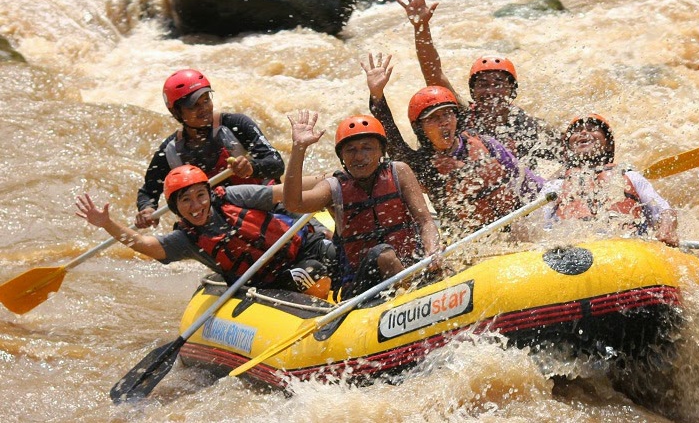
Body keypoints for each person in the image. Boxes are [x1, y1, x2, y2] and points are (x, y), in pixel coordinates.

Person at [77, 164, 332, 294]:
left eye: (200, 195)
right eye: (185, 200)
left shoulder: (232, 196)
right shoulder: (186, 239)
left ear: (209, 194)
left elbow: (282, 192)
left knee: (336, 256)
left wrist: (326, 181)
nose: (196, 205)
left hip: (305, 246)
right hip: (273, 281)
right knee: (311, 273)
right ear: (176, 208)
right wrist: (107, 224)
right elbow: (147, 246)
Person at [363, 55, 543, 237]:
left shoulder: (486, 143)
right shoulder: (421, 166)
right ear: (419, 128)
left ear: (456, 118)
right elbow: (391, 136)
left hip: (519, 224)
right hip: (474, 241)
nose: (443, 122)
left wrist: (551, 195)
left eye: (447, 114)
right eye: (433, 118)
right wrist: (377, 96)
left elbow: (526, 180)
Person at [395, 0, 562, 169]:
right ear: (473, 92)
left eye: (498, 83)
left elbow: (570, 152)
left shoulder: (529, 126)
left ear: (511, 90)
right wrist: (421, 28)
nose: (491, 90)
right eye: (483, 84)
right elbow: (433, 73)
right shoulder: (463, 115)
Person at [281, 110, 443, 299]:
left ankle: (423, 283)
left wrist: (433, 250)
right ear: (341, 156)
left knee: (426, 259)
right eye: (351, 150)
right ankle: (418, 295)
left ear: (381, 151)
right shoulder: (334, 188)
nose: (359, 156)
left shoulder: (399, 172)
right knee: (384, 255)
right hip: (361, 287)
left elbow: (425, 222)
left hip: (411, 266)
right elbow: (293, 203)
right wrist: (298, 148)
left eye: (367, 148)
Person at [135, 68, 285, 229]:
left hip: (266, 205)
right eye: (194, 106)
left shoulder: (236, 125)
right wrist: (147, 209)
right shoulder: (170, 151)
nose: (204, 108)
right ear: (176, 112)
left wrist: (252, 168)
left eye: (206, 100)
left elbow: (277, 164)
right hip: (225, 223)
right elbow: (148, 192)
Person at [551, 114, 679, 246]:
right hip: (572, 249)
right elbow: (537, 225)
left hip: (624, 247)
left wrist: (667, 228)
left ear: (608, 145)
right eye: (576, 131)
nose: (583, 132)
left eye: (592, 129)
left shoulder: (630, 176)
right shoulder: (556, 184)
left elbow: (665, 211)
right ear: (569, 148)